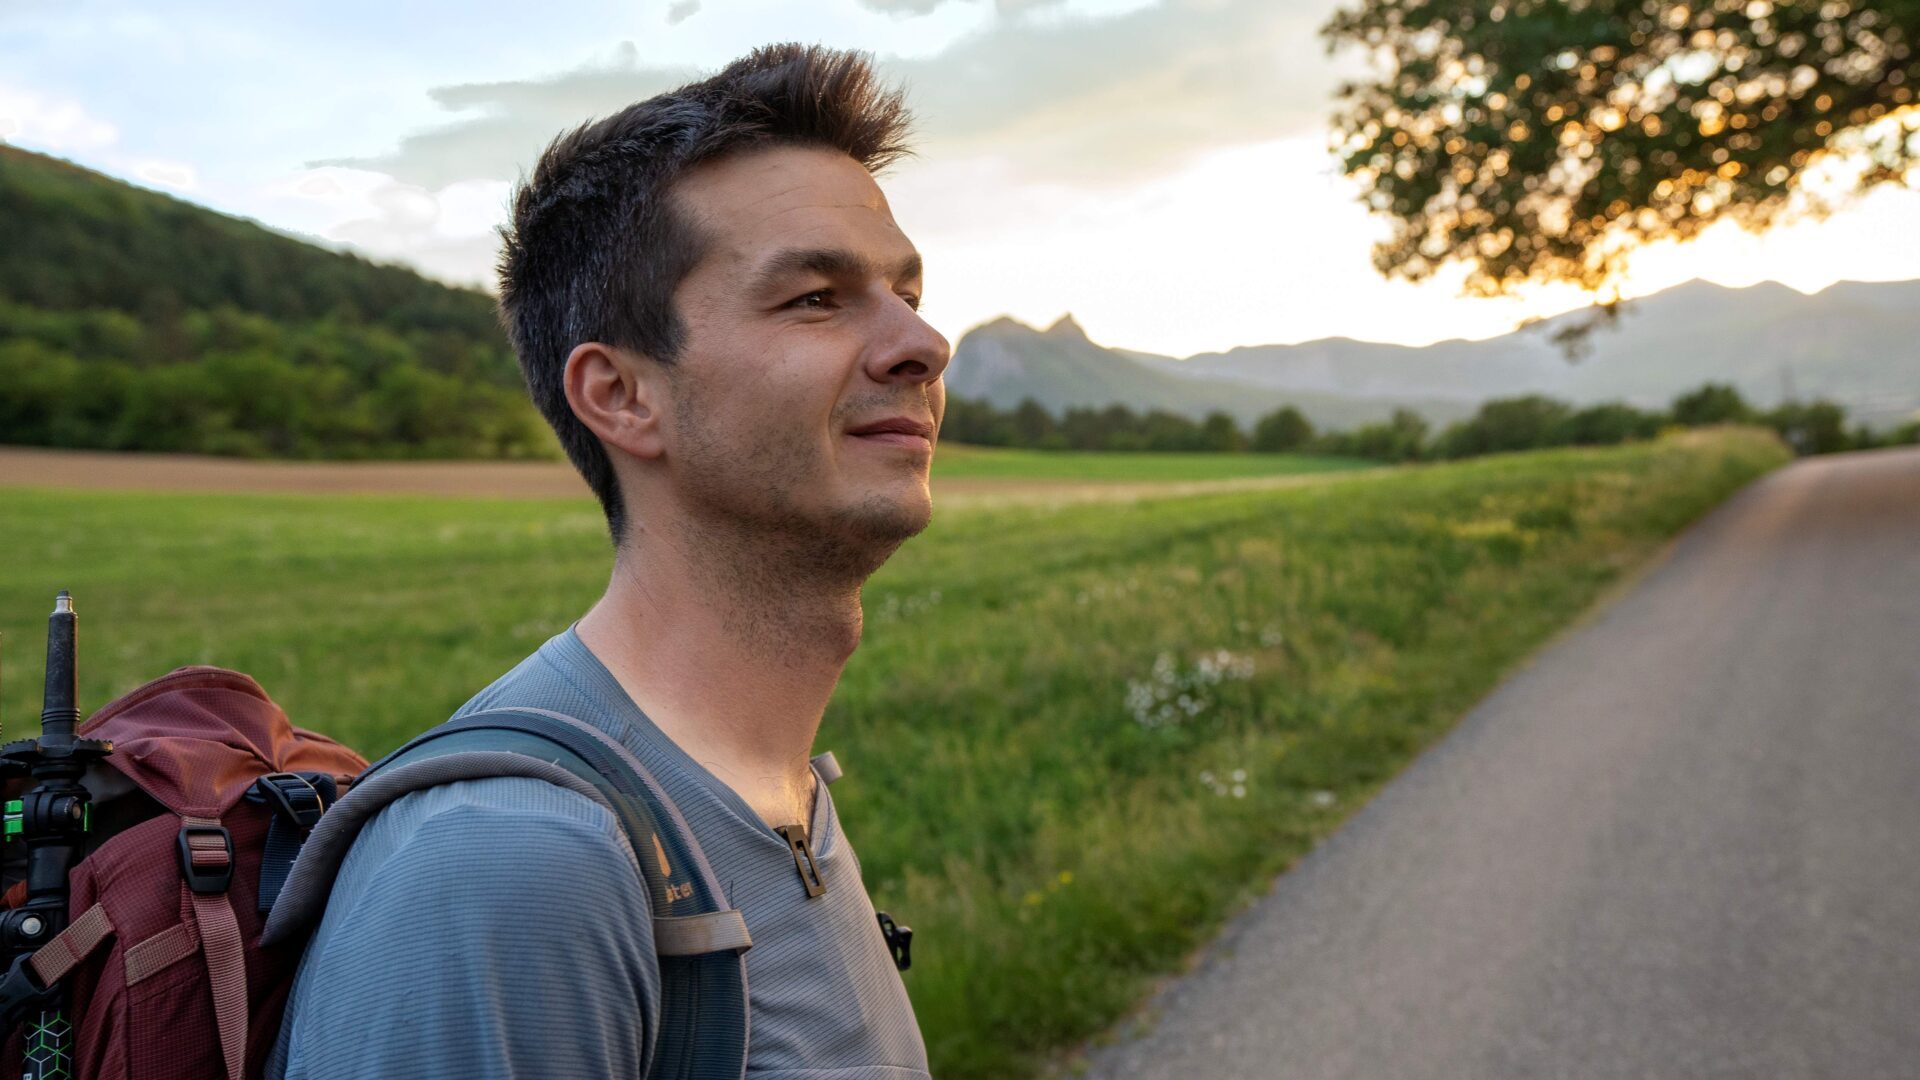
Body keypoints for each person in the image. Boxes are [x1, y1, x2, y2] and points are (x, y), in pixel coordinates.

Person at [269, 43, 946, 1078]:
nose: (922, 341)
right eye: (817, 296)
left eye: (906, 291)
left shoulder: (777, 791)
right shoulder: (508, 867)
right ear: (623, 396)